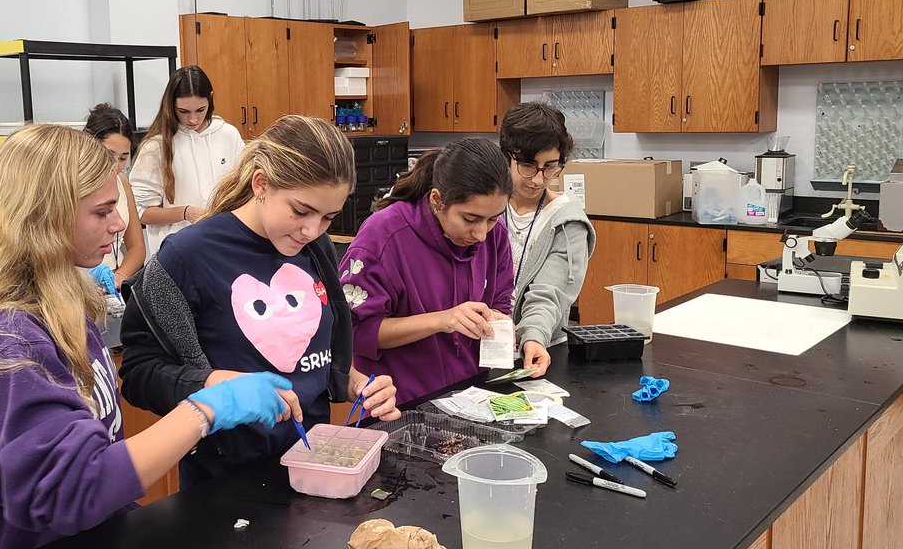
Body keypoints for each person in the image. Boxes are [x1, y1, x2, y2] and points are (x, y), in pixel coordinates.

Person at [0, 123, 293, 549]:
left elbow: (95, 448)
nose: (119, 225)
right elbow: (73, 488)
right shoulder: (6, 340)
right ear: (42, 219)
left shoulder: (65, 306)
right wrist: (204, 412)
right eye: (102, 211)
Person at [119, 115, 399, 487]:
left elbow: (314, 358)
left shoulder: (316, 250)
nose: (312, 230)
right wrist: (215, 384)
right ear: (261, 184)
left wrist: (354, 383)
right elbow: (139, 375)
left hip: (310, 467)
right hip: (223, 485)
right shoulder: (188, 256)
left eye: (328, 217)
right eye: (300, 211)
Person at [340, 138, 514, 405]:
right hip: (399, 405)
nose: (481, 234)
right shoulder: (383, 237)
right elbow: (357, 333)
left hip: (471, 397)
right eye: (470, 219)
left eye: (493, 218)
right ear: (437, 200)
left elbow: (500, 304)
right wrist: (442, 320)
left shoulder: (495, 235)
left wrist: (499, 324)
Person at [500, 103, 595, 377]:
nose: (539, 179)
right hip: (481, 346)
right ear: (507, 156)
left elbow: (549, 294)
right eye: (528, 166)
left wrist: (533, 337)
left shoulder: (567, 222)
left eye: (551, 168)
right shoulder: (485, 208)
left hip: (539, 351)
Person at [129, 65, 244, 256]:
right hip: (175, 253)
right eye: (183, 111)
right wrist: (186, 212)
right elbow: (142, 212)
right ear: (171, 105)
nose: (192, 119)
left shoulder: (228, 135)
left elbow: (244, 189)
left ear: (211, 99)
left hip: (223, 246)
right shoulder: (156, 146)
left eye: (200, 110)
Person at [82, 103, 146, 292]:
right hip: (76, 285)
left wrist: (118, 278)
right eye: (109, 154)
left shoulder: (122, 182)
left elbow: (137, 248)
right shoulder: (69, 185)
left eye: (123, 157)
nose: (115, 165)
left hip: (111, 285)